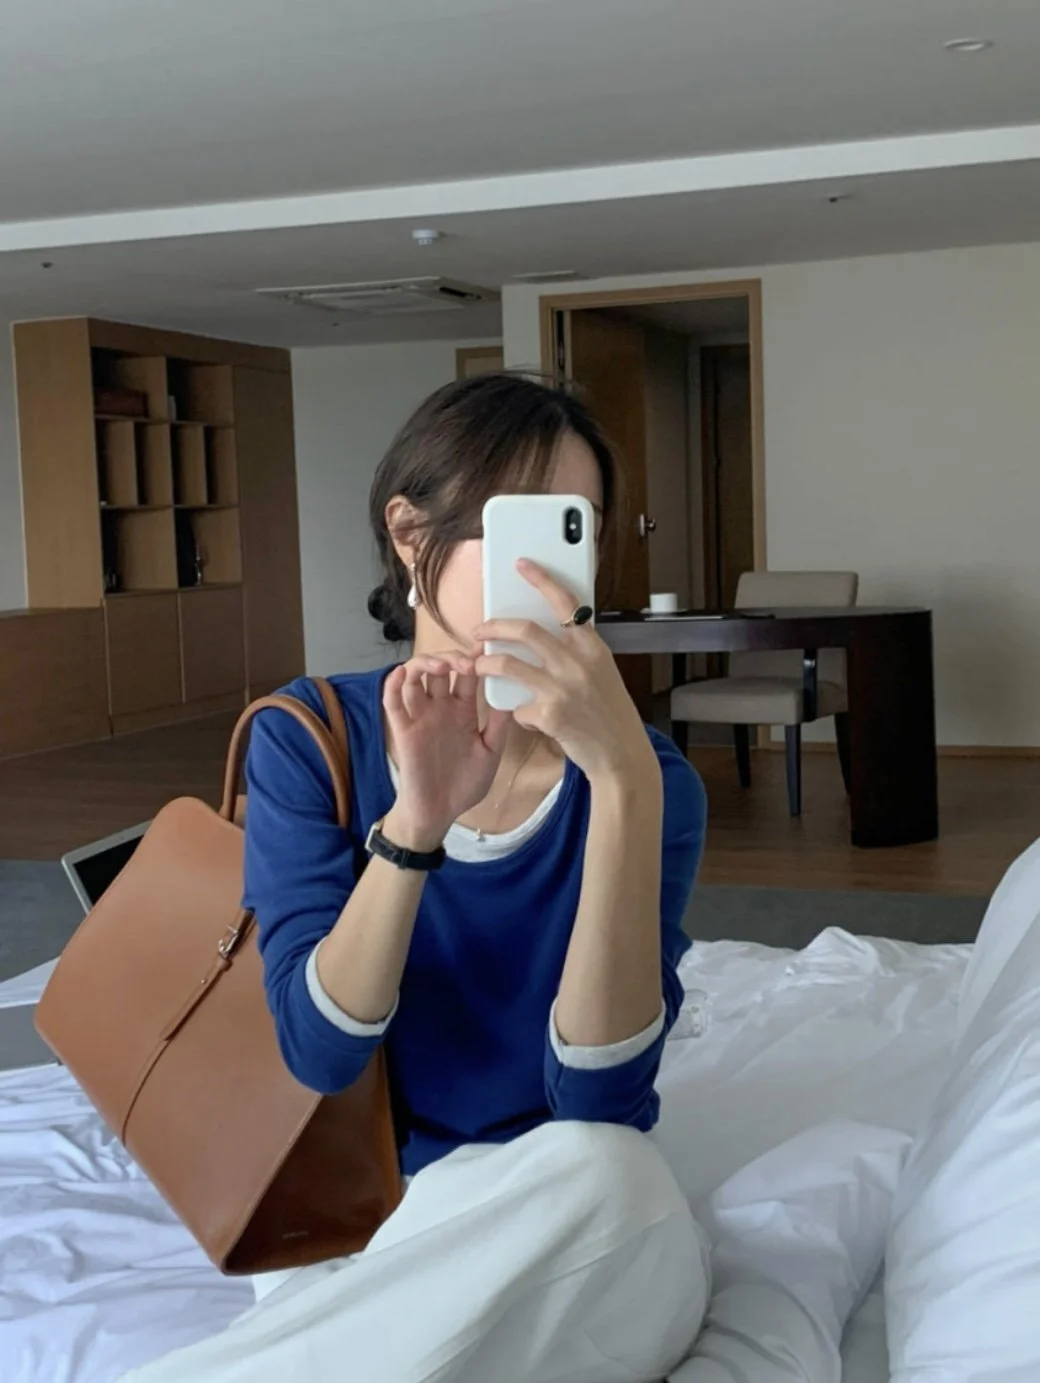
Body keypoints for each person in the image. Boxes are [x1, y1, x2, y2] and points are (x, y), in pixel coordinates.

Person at [118, 374, 711, 1383]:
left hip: (563, 1203)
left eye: (573, 529)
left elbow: (599, 1098)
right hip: (359, 1216)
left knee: (618, 1178)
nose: (549, 574)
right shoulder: (310, 738)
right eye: (512, 526)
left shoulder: (646, 780)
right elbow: (320, 1055)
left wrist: (618, 783)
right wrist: (414, 825)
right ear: (407, 532)